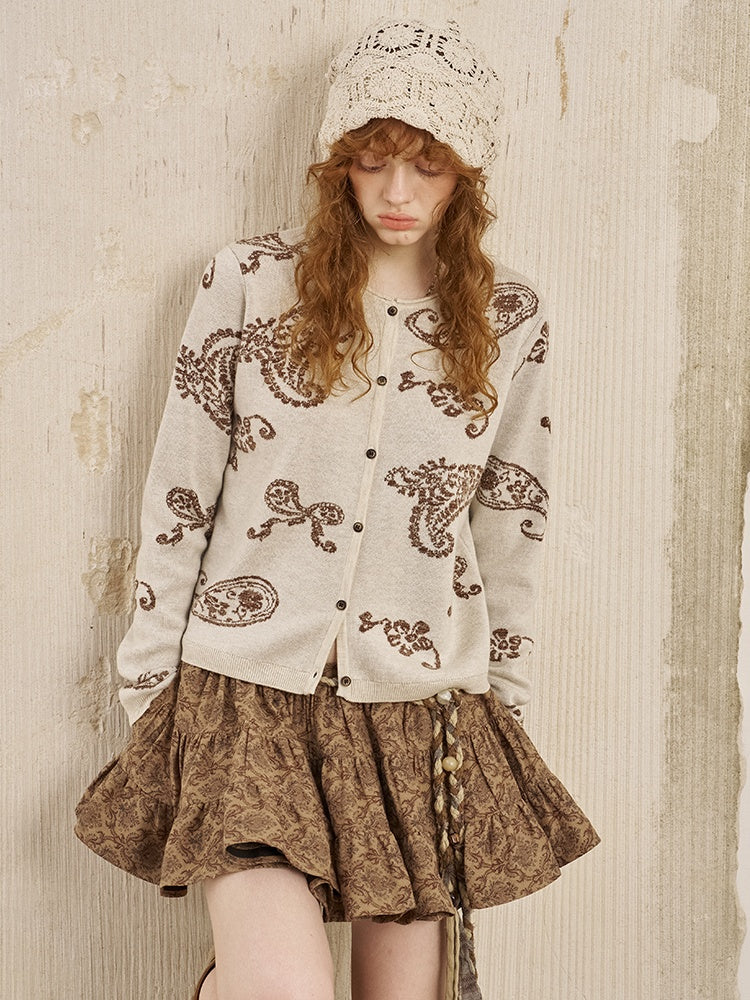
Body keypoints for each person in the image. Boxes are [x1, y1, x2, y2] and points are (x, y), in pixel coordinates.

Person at [75, 17, 599, 1000]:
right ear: (338, 163)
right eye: (373, 160)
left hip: (422, 716)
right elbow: (181, 494)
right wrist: (152, 688)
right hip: (245, 699)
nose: (398, 192)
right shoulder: (247, 283)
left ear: (466, 174)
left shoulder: (511, 318)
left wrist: (502, 706)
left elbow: (510, 523)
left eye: (428, 165)